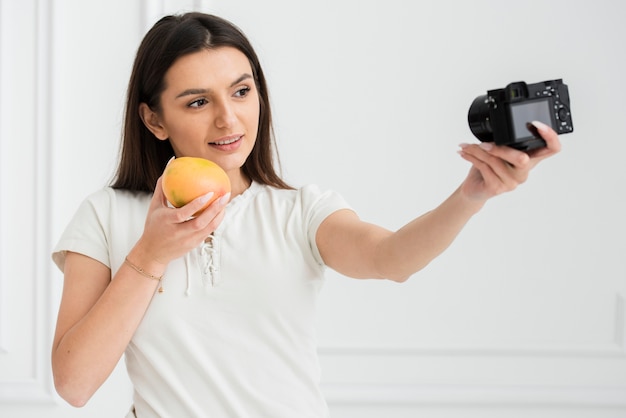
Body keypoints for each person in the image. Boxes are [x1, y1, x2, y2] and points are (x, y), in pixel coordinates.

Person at [50, 12, 561, 418]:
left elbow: (391, 259)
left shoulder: (299, 210)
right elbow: (74, 385)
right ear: (153, 119)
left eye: (242, 91)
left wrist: (471, 194)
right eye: (198, 101)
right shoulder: (106, 216)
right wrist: (150, 254)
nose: (229, 118)